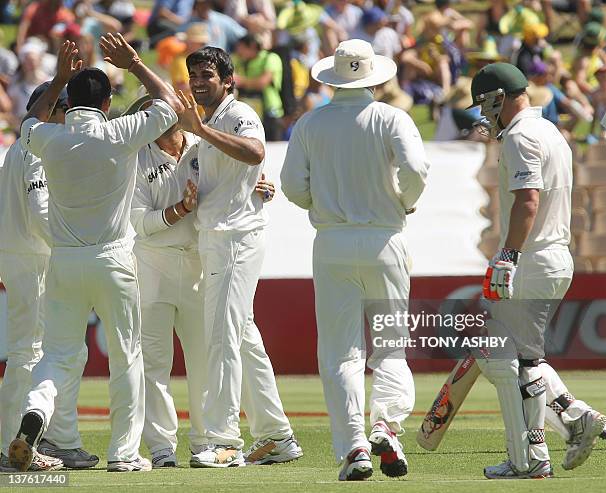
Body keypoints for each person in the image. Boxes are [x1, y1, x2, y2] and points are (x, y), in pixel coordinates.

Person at [7, 35, 183, 473]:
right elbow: (170, 106)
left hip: (64, 262)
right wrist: (137, 64)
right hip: (112, 259)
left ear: (70, 103)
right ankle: (124, 454)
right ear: (107, 103)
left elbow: (28, 122)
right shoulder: (119, 133)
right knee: (126, 356)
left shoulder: (49, 139)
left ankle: (35, 414)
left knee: (56, 356)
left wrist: (59, 79)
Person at [281, 39, 429, 481]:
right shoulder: (391, 117)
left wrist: (318, 204)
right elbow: (416, 172)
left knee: (340, 353)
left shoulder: (310, 124)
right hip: (385, 238)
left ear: (333, 77)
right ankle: (386, 423)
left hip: (332, 242)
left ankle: (354, 448)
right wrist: (404, 202)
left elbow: (292, 185)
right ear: (373, 76)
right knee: (390, 345)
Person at [468, 62, 606, 479]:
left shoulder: (522, 136)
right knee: (522, 355)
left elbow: (528, 201)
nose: (483, 115)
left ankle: (530, 459)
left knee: (516, 362)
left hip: (534, 256)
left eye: (485, 105)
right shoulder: (550, 131)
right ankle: (574, 419)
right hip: (555, 253)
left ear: (498, 98)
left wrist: (508, 255)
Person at [128, 94, 276, 468]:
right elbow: (140, 222)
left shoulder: (201, 143)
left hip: (198, 265)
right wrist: (180, 210)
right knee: (155, 364)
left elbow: (235, 184)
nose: (163, 120)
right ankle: (162, 449)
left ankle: (203, 442)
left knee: (204, 361)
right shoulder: (135, 158)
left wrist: (259, 190)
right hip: (154, 268)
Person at [176, 46, 302, 467]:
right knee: (244, 339)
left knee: (223, 337)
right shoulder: (206, 122)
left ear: (228, 81)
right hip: (217, 238)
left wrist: (202, 131)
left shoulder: (239, 114)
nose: (198, 80)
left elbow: (254, 152)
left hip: (236, 239)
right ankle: (277, 436)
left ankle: (225, 441)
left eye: (206, 74)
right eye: (193, 73)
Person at [0, 82, 97, 473]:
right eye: (67, 109)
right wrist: (73, 243)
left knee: (34, 352)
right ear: (54, 109)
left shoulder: (17, 148)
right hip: (35, 257)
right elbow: (42, 212)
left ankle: (39, 439)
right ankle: (13, 446)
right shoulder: (39, 148)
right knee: (31, 353)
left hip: (20, 255)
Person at [232, 34, 284, 141]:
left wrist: (241, 81)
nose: (238, 51)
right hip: (248, 111)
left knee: (272, 147)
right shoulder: (239, 60)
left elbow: (262, 82)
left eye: (241, 48)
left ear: (252, 46)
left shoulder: (271, 58)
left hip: (269, 111)